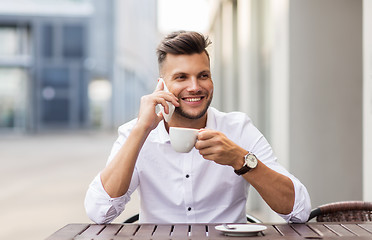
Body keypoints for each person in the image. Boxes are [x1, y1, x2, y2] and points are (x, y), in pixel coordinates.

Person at [85, 31, 311, 224]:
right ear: (161, 85)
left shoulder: (238, 128)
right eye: (181, 77)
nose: (195, 87)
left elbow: (300, 212)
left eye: (203, 76)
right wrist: (141, 129)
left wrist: (240, 159)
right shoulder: (137, 132)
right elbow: (99, 212)